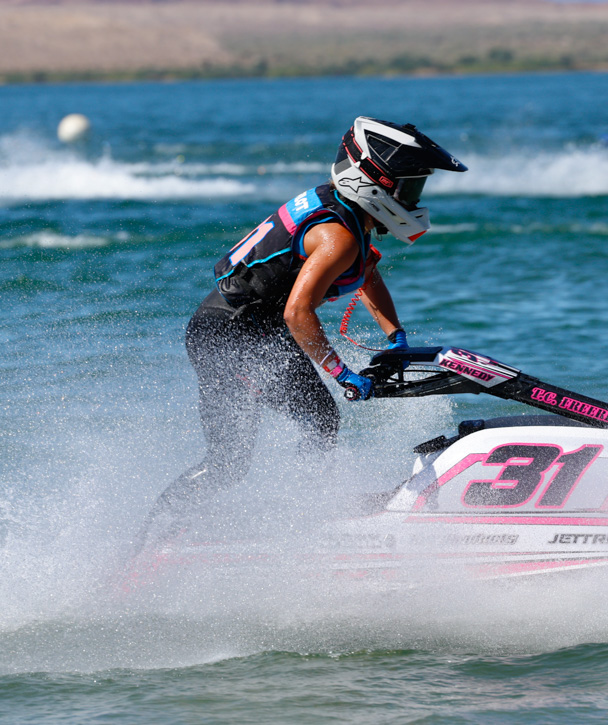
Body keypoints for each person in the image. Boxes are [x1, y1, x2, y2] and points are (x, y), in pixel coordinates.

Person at [136, 116, 466, 550]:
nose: (415, 198)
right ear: (377, 183)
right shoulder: (337, 236)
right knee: (228, 463)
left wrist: (395, 338)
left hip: (257, 334)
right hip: (227, 337)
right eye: (411, 188)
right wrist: (341, 372)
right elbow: (297, 312)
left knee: (321, 419)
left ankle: (309, 510)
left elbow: (366, 274)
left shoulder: (346, 216)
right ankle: (149, 543)